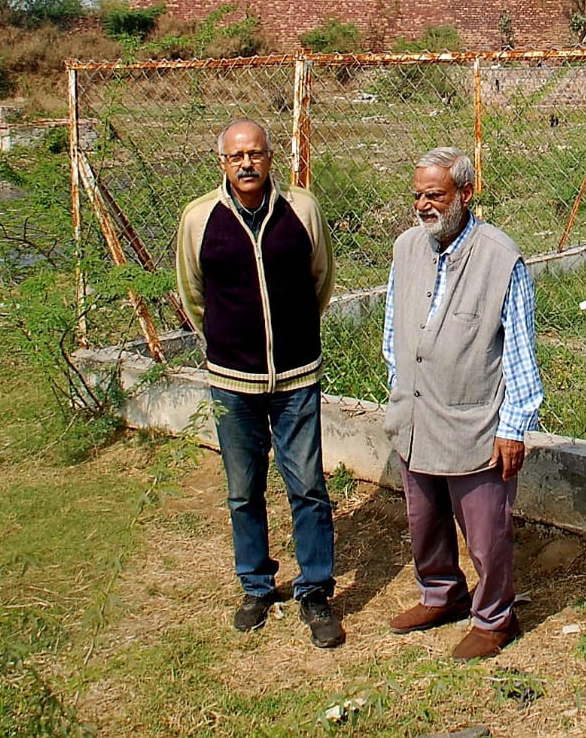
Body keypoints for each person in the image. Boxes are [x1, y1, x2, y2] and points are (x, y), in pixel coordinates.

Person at [174, 118, 345, 649]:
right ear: (221, 163)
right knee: (242, 490)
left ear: (273, 158)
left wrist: (295, 337)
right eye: (236, 156)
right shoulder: (199, 219)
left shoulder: (302, 210)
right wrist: (228, 344)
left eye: (256, 154)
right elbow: (192, 294)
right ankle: (256, 585)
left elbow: (322, 279)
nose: (246, 164)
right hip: (232, 382)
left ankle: (314, 591)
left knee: (308, 487)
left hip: (296, 378)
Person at [381, 146, 544, 661]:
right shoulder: (408, 248)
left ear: (466, 194)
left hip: (476, 420)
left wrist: (513, 426)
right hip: (416, 411)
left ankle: (496, 617)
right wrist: (401, 384)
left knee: (485, 530)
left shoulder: (501, 258)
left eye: (436, 195)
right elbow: (394, 327)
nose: (424, 205)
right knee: (423, 516)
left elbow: (519, 349)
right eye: (418, 196)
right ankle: (442, 595)